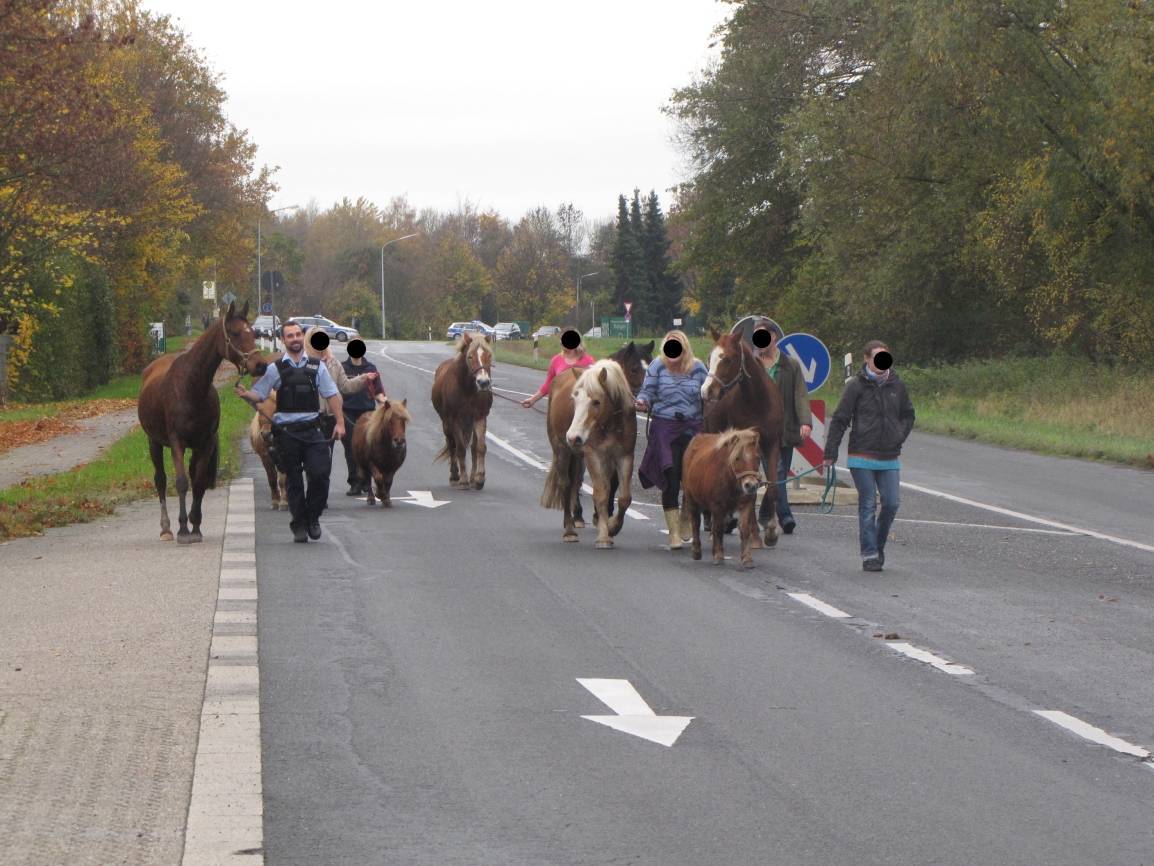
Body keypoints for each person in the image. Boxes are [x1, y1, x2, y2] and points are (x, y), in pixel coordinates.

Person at [234, 320, 345, 544]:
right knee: (293, 480)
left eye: (297, 335)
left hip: (312, 429)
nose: (294, 339)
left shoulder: (316, 367)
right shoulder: (276, 369)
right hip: (287, 432)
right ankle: (299, 524)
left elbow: (332, 394)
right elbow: (260, 393)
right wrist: (246, 394)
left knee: (320, 474)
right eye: (289, 336)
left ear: (302, 337)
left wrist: (340, 423)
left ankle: (312, 517)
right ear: (283, 340)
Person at [822, 339, 915, 572]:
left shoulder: (897, 385)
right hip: (861, 454)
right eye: (877, 357)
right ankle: (869, 553)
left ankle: (878, 544)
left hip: (889, 455)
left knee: (892, 503)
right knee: (868, 503)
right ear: (867, 359)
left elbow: (908, 415)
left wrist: (898, 436)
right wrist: (830, 452)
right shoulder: (855, 386)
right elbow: (840, 419)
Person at [635, 330, 708, 550]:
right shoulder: (657, 366)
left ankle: (687, 515)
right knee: (671, 476)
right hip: (664, 426)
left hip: (692, 426)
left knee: (692, 477)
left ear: (685, 348)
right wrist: (642, 401)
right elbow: (646, 391)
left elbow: (710, 391)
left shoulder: (698, 368)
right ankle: (674, 532)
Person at [748, 319, 812, 535]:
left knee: (779, 477)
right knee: (775, 472)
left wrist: (805, 421)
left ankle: (768, 513)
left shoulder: (790, 365)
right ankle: (784, 515)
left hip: (784, 429)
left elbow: (800, 394)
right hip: (759, 431)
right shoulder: (751, 365)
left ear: (774, 337)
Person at [340, 338, 384, 495]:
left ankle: (367, 482)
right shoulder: (342, 367)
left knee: (369, 449)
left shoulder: (371, 368)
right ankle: (355, 483)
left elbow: (378, 391)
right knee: (351, 450)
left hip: (368, 413)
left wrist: (386, 403)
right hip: (348, 413)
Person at [521, 329, 595, 408]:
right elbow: (549, 384)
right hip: (560, 407)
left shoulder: (588, 361)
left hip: (581, 408)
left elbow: (594, 386)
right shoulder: (556, 360)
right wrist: (533, 400)